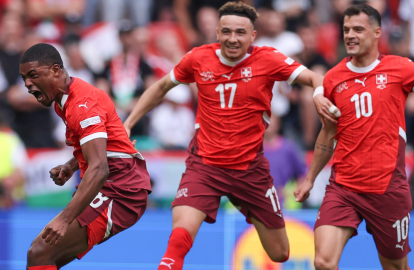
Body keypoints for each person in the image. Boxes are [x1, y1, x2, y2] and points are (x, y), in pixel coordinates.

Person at [123, 2, 325, 269]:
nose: (233, 38)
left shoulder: (268, 59)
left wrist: (319, 94)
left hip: (250, 170)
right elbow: (160, 87)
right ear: (217, 32)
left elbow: (314, 77)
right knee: (179, 239)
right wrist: (127, 125)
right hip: (205, 166)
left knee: (280, 254)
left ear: (253, 35)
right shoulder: (198, 58)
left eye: (240, 32)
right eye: (226, 31)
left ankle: (243, 204)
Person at [295, 4, 414, 270]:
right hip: (344, 188)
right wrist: (309, 179)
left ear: (377, 32)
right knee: (323, 262)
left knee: (395, 267)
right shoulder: (333, 79)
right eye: (346, 29)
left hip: (388, 190)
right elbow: (327, 135)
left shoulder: (399, 68)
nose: (350, 35)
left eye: (358, 29)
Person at [19, 43, 152, 270]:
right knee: (48, 259)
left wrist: (64, 219)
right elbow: (101, 144)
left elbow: (100, 168)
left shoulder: (82, 104)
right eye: (24, 79)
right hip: (111, 185)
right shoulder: (65, 99)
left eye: (33, 76)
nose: (27, 84)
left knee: (39, 253)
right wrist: (71, 165)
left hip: (120, 192)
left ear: (55, 71)